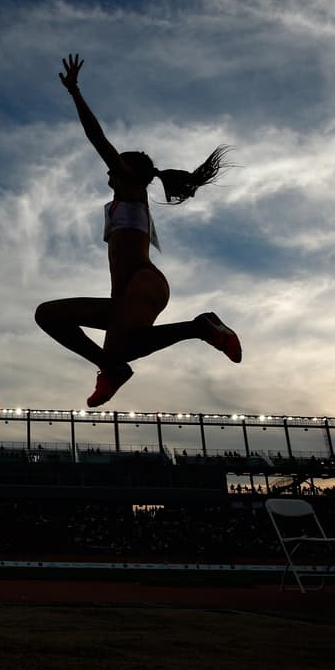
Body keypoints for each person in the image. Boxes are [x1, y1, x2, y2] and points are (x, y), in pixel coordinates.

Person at [35, 54, 242, 407]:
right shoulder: (119, 204)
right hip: (126, 295)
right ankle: (115, 367)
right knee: (48, 314)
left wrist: (75, 93)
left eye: (114, 166)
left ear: (128, 170)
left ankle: (197, 329)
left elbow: (97, 138)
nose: (108, 172)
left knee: (119, 348)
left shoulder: (133, 189)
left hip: (144, 283)